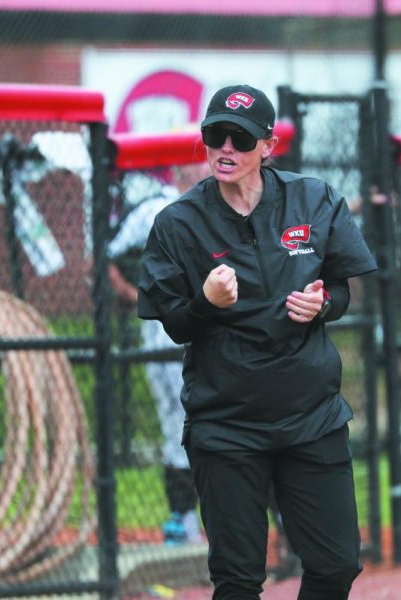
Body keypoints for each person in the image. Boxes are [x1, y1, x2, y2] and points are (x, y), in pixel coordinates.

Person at [137, 84, 377, 599]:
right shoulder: (178, 223)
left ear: (268, 145)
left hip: (311, 416)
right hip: (227, 426)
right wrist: (206, 302)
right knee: (239, 581)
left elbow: (341, 288)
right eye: (214, 136)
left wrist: (324, 304)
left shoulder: (315, 199)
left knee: (336, 565)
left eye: (240, 138)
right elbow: (176, 323)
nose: (226, 149)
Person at [107, 161, 212, 545]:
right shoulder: (154, 209)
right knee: (180, 426)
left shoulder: (221, 205)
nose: (203, 167)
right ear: (179, 170)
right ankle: (182, 520)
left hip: (210, 338)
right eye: (195, 161)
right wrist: (141, 298)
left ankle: (202, 518)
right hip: (165, 341)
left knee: (211, 425)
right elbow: (107, 260)